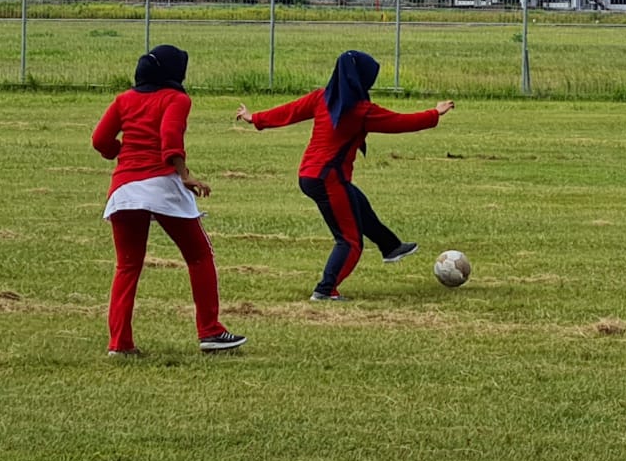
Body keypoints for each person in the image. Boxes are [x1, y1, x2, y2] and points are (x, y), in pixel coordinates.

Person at [236, 50, 453, 302]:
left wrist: (255, 118)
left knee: (357, 202)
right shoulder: (361, 111)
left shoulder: (322, 97)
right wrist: (435, 112)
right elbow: (401, 122)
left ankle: (390, 246)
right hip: (328, 179)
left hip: (310, 174)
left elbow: (290, 111)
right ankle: (325, 290)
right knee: (349, 240)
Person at [91, 45, 245, 356]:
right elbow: (170, 137)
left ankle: (120, 344)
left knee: (127, 266)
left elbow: (99, 140)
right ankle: (210, 331)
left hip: (124, 190)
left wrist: (117, 152)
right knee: (199, 256)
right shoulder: (177, 99)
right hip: (161, 184)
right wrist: (185, 174)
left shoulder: (124, 99)